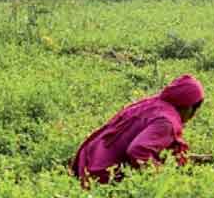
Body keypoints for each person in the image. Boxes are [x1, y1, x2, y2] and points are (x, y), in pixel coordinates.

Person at [71, 75, 206, 189]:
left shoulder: (153, 103)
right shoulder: (168, 122)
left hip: (87, 159)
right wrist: (163, 179)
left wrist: (191, 159)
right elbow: (138, 151)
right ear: (189, 108)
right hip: (101, 176)